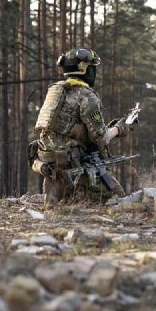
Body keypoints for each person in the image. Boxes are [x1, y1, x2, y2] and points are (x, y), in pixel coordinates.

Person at [29, 48, 131, 209]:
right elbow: (101, 138)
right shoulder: (86, 95)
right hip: (75, 168)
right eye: (92, 67)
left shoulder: (55, 91)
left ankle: (60, 199)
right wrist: (119, 128)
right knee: (118, 196)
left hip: (51, 168)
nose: (94, 71)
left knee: (57, 208)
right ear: (84, 69)